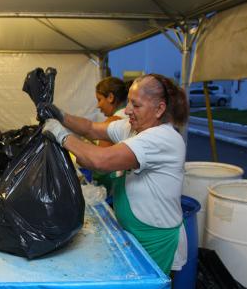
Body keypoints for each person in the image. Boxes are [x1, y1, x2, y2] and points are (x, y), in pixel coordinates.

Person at [40, 73, 188, 274]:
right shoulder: (133, 128)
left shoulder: (163, 138)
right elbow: (91, 128)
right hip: (134, 231)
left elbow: (101, 160)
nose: (127, 111)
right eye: (128, 102)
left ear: (159, 109)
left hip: (155, 238)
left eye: (136, 105)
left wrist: (61, 134)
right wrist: (61, 115)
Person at [91, 77, 129, 193]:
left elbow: (100, 165)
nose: (98, 106)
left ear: (110, 97)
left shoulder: (112, 122)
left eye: (99, 99)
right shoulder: (131, 118)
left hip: (114, 189)